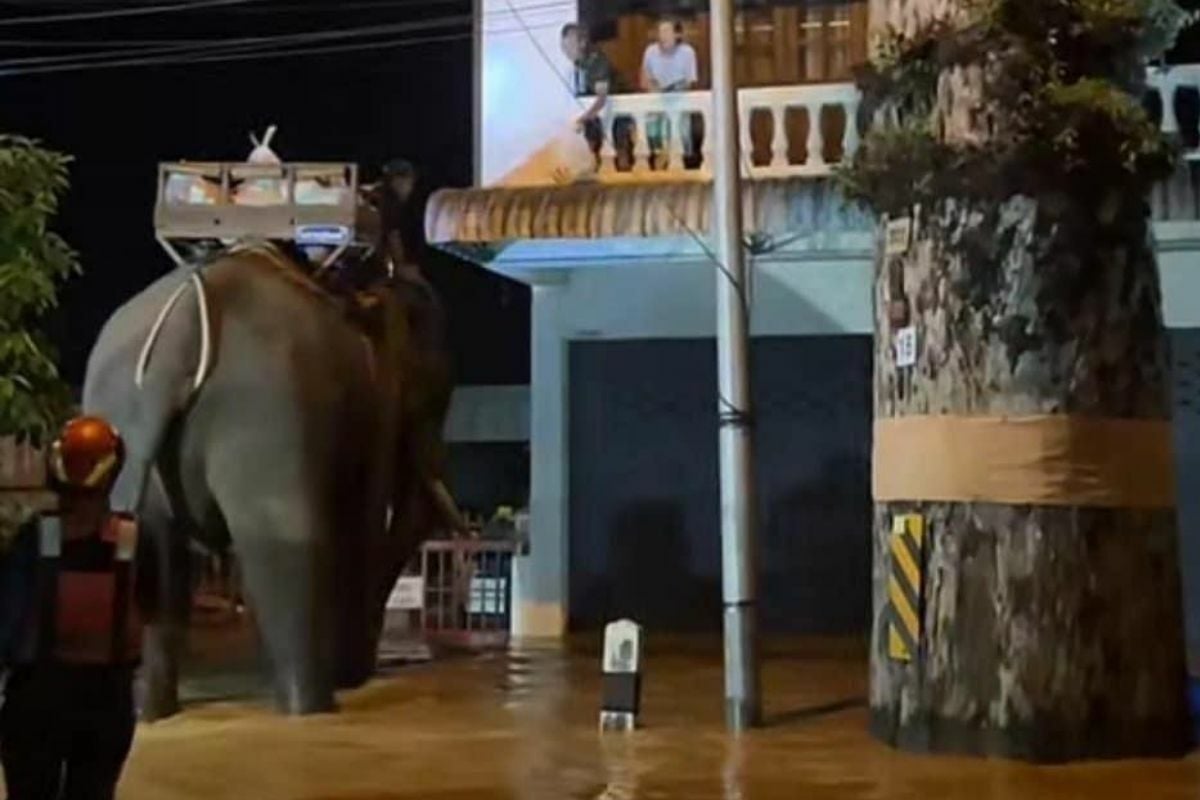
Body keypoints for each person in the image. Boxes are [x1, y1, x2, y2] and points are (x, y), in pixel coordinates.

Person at [0, 416, 142, 800]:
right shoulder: (131, 542)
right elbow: (154, 615)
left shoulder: (34, 539)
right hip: (108, 699)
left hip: (37, 698)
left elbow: (7, 624)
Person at [640, 17, 701, 170]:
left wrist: (671, 90)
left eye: (667, 31)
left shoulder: (687, 52)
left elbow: (689, 81)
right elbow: (644, 79)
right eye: (660, 32)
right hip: (656, 103)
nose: (663, 36)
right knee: (654, 138)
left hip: (678, 102)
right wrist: (654, 87)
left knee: (680, 137)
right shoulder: (650, 51)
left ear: (677, 35)